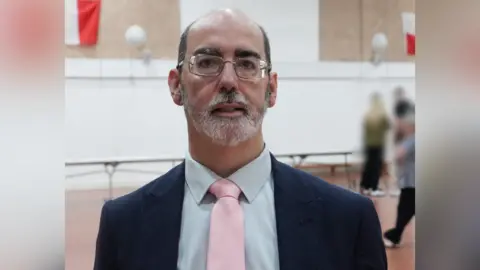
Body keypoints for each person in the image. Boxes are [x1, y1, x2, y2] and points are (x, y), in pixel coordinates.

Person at [93, 9, 387, 270]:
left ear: (271, 89)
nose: (229, 81)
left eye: (247, 64)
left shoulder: (348, 220)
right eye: (207, 62)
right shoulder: (123, 224)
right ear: (176, 86)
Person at [383, 111, 415, 247]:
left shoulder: (412, 139)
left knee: (405, 208)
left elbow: (398, 155)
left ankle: (395, 235)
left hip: (412, 182)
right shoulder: (413, 139)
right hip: (411, 181)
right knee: (407, 208)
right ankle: (395, 234)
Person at [360, 93, 391, 197]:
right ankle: (373, 188)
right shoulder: (382, 116)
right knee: (376, 167)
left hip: (368, 145)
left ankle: (365, 186)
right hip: (378, 144)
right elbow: (388, 126)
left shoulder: (367, 115)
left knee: (368, 165)